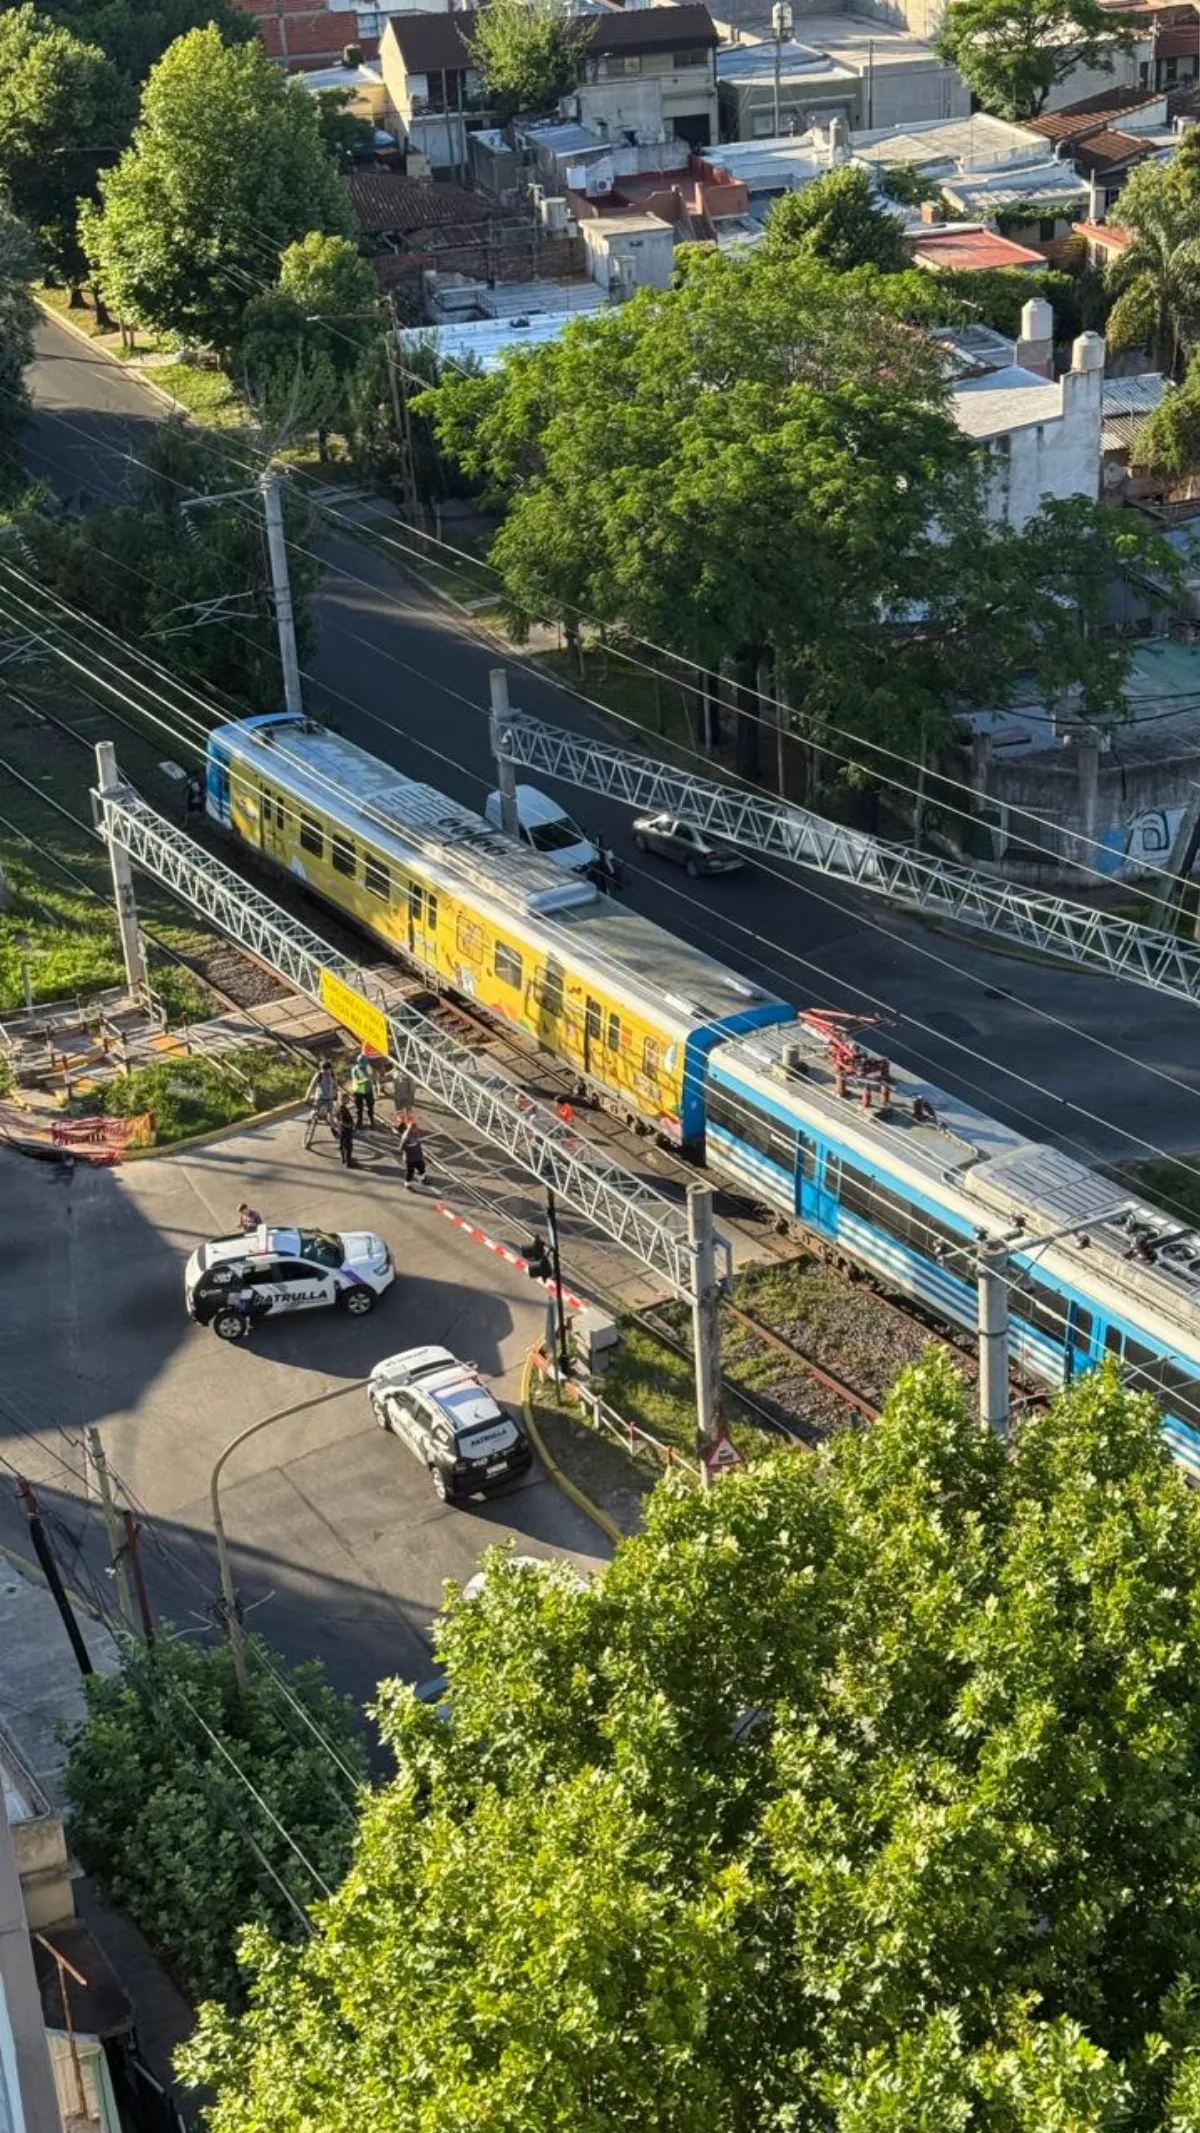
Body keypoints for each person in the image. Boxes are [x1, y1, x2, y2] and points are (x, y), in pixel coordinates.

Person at [397, 1113, 426, 1189]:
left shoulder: (416, 1134)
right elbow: (400, 1148)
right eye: (415, 1129)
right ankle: (407, 1184)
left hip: (418, 1156)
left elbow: (419, 1143)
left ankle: (422, 1179)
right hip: (410, 1159)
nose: (416, 1130)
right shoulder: (406, 1137)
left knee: (422, 1168)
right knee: (410, 1172)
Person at [350, 1050, 376, 1129]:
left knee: (370, 1107)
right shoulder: (355, 1070)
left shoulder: (367, 1066)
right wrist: (368, 1079)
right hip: (358, 1091)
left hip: (368, 1090)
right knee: (359, 1108)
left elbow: (371, 1075)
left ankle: (372, 1122)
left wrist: (371, 1079)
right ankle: (359, 1123)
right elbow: (360, 1079)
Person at [337, 1097, 356, 1170]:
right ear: (343, 1100)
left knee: (342, 1144)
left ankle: (343, 1158)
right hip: (346, 1131)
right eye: (347, 1099)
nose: (348, 1100)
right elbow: (342, 1121)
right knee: (348, 1146)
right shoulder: (342, 1110)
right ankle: (349, 1161)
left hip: (342, 1130)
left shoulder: (341, 1108)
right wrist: (349, 1126)